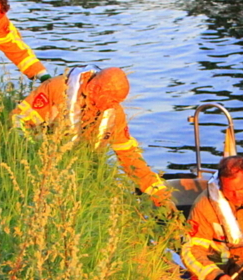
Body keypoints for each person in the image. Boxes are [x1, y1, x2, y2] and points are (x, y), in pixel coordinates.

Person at [11, 66, 172, 208]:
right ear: (92, 89)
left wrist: (160, 195)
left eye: (116, 101)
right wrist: (32, 159)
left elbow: (129, 156)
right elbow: (18, 121)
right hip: (40, 167)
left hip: (82, 174)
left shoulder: (114, 112)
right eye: (110, 99)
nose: (112, 105)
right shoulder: (57, 89)